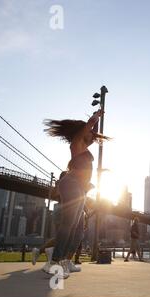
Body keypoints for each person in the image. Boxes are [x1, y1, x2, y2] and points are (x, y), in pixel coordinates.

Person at [42, 109, 108, 278]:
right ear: (81, 132)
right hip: (71, 185)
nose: (93, 136)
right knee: (68, 225)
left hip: (79, 189)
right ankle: (54, 262)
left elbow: (91, 131)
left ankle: (65, 261)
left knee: (78, 230)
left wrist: (96, 124)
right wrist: (96, 116)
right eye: (90, 132)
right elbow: (89, 127)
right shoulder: (77, 143)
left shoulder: (84, 145)